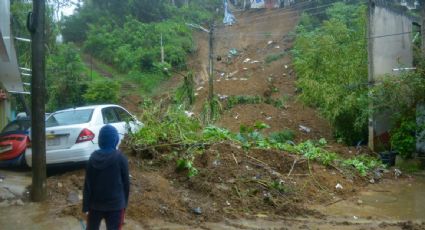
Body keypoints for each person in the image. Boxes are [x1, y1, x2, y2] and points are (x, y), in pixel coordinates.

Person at [83, 124, 130, 230]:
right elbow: (126, 184)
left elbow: (87, 184)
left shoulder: (92, 158)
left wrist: (86, 207)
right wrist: (124, 205)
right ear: (115, 139)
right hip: (116, 206)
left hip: (95, 205)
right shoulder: (121, 158)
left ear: (100, 140)